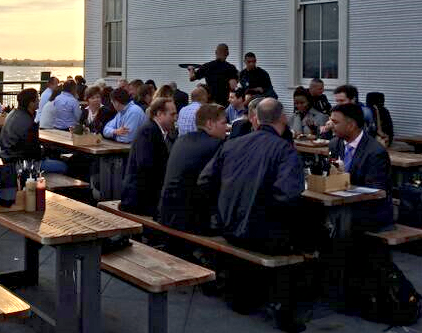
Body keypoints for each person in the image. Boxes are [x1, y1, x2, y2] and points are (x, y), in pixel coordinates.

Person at [198, 99, 305, 253]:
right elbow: (288, 194)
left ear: (257, 119)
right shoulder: (285, 150)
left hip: (228, 227)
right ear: (283, 117)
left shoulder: (231, 144)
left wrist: (223, 208)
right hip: (263, 236)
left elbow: (205, 181)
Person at [158, 103, 226, 233]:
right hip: (190, 220)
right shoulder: (217, 146)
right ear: (210, 124)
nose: (226, 127)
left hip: (166, 213)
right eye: (223, 123)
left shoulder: (181, 140)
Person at [328, 103, 393, 231]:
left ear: (351, 125)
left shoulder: (375, 152)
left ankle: (337, 250)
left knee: (341, 216)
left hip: (370, 208)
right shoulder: (335, 144)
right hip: (342, 202)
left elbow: (375, 192)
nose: (331, 125)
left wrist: (345, 187)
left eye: (335, 122)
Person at [120, 97, 177, 216]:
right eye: (172, 114)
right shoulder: (148, 131)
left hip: (147, 195)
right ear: (160, 114)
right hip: (139, 199)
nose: (175, 118)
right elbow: (146, 167)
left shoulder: (160, 131)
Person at [0, 88, 43, 165]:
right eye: (37, 98)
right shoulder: (27, 120)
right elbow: (33, 149)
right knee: (63, 167)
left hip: (6, 157)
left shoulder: (13, 113)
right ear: (30, 103)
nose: (39, 101)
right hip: (21, 162)